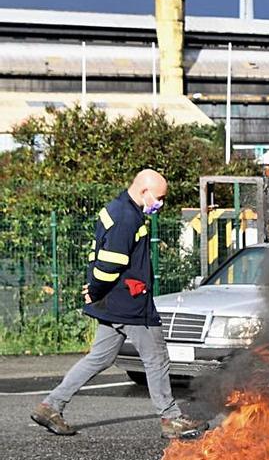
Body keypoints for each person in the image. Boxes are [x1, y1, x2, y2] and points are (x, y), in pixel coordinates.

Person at [30, 170, 208, 439]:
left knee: (99, 358)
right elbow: (110, 263)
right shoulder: (127, 217)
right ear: (144, 191)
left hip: (113, 302)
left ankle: (51, 406)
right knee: (156, 358)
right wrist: (95, 289)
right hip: (130, 304)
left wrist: (96, 290)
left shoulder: (116, 208)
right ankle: (171, 419)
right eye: (159, 198)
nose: (160, 203)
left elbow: (101, 256)